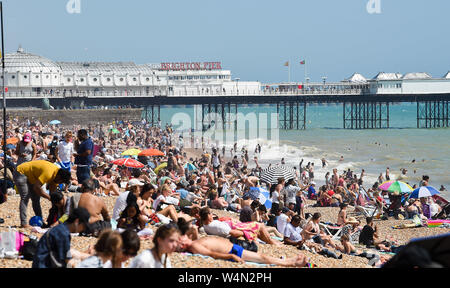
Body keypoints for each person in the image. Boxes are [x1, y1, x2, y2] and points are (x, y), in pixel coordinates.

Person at [177, 231, 309, 267]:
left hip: (233, 248)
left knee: (261, 257)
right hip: (232, 252)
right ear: (182, 245)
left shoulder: (193, 241)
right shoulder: (193, 245)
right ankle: (291, 263)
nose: (183, 236)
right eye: (180, 238)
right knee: (262, 258)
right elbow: (211, 254)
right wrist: (231, 256)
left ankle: (288, 262)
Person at [14, 160, 71, 228]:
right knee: (25, 197)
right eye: (61, 181)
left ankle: (40, 221)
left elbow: (53, 195)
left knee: (36, 199)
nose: (60, 183)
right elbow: (37, 188)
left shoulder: (56, 178)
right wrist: (55, 224)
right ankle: (23, 223)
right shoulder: (49, 173)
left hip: (32, 176)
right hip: (21, 172)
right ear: (59, 177)